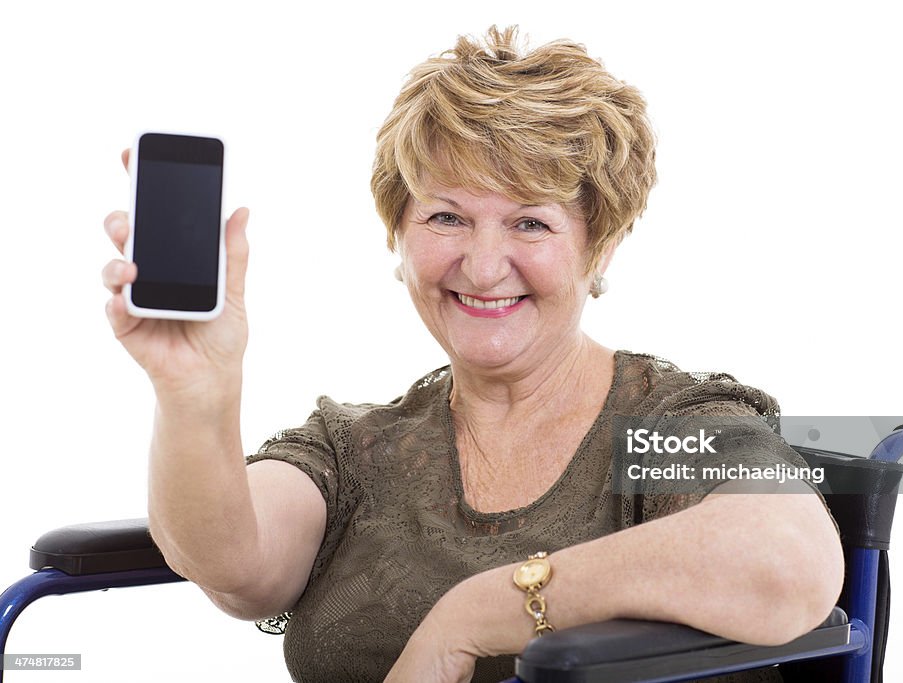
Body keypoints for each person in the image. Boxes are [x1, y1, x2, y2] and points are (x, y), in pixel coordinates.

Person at [100, 26, 843, 683]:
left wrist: (476, 614)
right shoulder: (358, 450)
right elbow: (237, 571)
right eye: (447, 216)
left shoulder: (661, 423)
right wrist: (196, 393)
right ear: (398, 232)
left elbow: (785, 560)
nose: (484, 267)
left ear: (601, 245)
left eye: (530, 224)